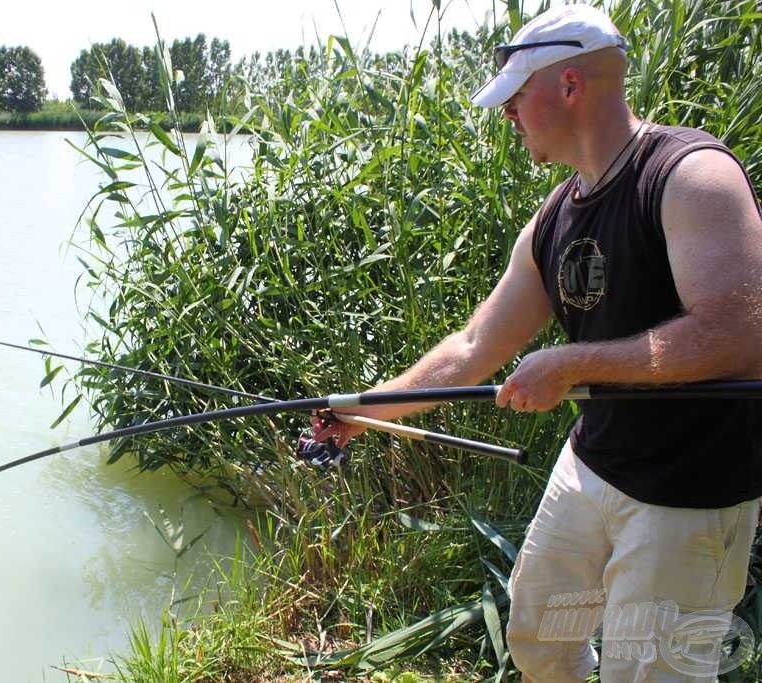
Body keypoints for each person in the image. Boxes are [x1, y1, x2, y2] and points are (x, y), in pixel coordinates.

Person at [316, 4, 762, 681]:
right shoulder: (555, 217)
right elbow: (473, 346)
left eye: (517, 97)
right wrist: (361, 412)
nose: (508, 115)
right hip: (593, 468)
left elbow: (740, 334)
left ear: (571, 85)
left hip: (688, 498)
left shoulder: (691, 177)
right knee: (541, 637)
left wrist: (574, 362)